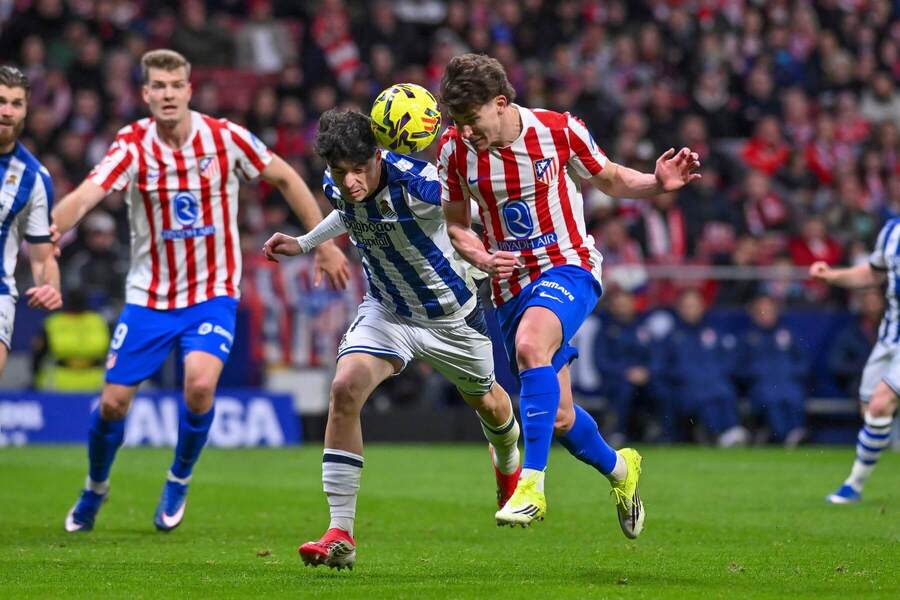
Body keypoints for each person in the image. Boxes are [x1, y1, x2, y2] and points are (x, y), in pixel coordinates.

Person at [52, 49, 348, 533]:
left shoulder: (225, 137)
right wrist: (47, 236)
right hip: (149, 296)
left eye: (176, 85)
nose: (168, 94)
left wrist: (323, 244)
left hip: (212, 292)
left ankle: (179, 478)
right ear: (145, 93)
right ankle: (95, 487)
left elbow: (286, 176)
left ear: (189, 90)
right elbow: (87, 196)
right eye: (158, 86)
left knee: (200, 385)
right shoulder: (132, 144)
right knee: (112, 404)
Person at [437, 53, 700, 535]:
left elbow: (610, 177)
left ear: (501, 103)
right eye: (458, 121)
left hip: (568, 265)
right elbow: (456, 225)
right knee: (558, 417)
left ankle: (530, 485)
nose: (466, 131)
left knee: (529, 346)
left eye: (472, 119)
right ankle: (621, 469)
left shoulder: (558, 130)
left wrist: (657, 183)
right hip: (509, 284)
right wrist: (481, 257)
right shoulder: (455, 151)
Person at [263, 109, 521, 570]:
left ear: (378, 155)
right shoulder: (337, 183)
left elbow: (477, 207)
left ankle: (507, 464)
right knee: (345, 389)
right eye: (340, 172)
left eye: (359, 169)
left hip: (452, 317)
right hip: (388, 310)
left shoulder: (422, 185)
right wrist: (305, 243)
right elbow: (348, 213)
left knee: (489, 404)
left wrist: (489, 256)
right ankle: (340, 532)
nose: (351, 181)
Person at [810, 219, 899, 504]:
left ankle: (852, 486)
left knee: (881, 403)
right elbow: (873, 274)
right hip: (889, 337)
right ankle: (854, 487)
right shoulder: (891, 231)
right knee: (870, 411)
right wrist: (831, 276)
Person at [0, 65, 62, 376]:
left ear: (26, 111)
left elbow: (42, 257)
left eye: (16, 103)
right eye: (1, 101)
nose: (7, 111)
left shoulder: (34, 177)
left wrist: (50, 286)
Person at [737, 295, 808, 447]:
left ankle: (796, 432)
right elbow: (739, 368)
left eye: (769, 311)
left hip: (787, 383)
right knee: (771, 398)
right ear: (754, 314)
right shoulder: (747, 339)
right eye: (761, 311)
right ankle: (784, 436)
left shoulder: (788, 335)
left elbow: (803, 362)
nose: (765, 315)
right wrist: (757, 373)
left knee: (793, 395)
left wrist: (790, 372)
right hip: (761, 386)